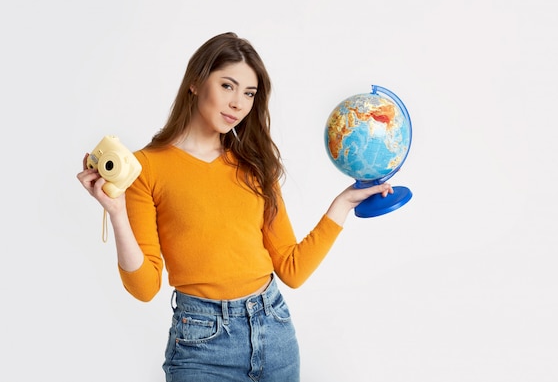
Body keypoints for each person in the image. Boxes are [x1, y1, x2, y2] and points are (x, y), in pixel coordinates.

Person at [77, 32, 393, 382]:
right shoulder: (147, 168)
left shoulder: (255, 164)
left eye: (249, 93)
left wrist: (344, 203)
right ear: (196, 83)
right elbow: (144, 287)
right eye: (227, 86)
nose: (238, 104)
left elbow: (292, 269)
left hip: (274, 332)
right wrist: (116, 213)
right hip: (201, 345)